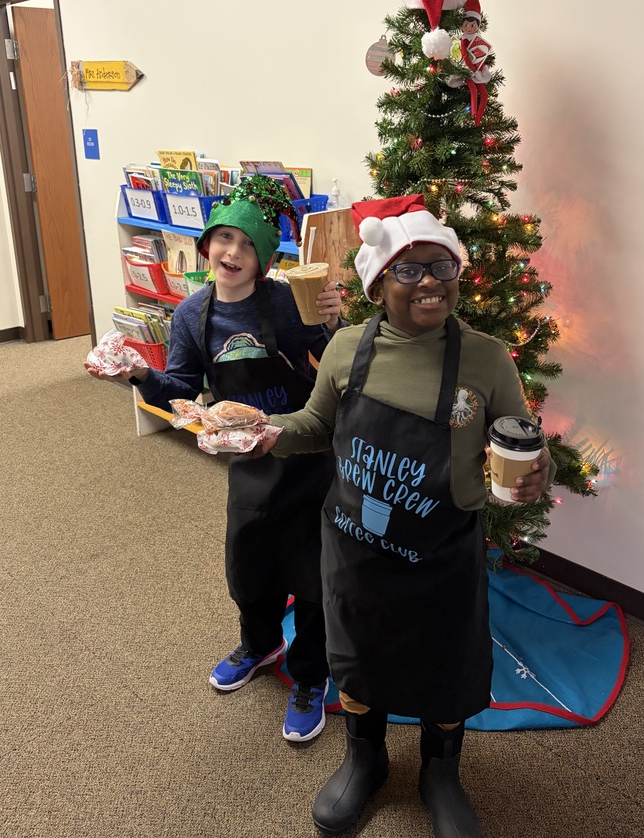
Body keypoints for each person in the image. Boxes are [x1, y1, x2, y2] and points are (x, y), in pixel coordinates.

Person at [251, 193, 555, 837]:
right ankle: (366, 759)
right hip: (356, 550)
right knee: (359, 656)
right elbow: (316, 425)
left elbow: (523, 442)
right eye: (409, 269)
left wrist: (534, 476)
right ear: (377, 281)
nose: (430, 284)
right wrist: (265, 432)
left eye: (442, 269)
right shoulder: (344, 351)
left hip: (443, 550)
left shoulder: (486, 357)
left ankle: (440, 772)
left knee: (446, 662)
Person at [85, 175, 343, 743]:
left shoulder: (284, 301)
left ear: (264, 258)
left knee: (313, 572)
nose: (232, 252)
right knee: (248, 561)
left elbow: (334, 360)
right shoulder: (190, 316)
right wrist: (139, 374)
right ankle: (259, 643)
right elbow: (178, 387)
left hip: (304, 449)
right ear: (206, 246)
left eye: (247, 243)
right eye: (223, 239)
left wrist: (330, 323)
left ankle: (309, 675)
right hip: (246, 464)